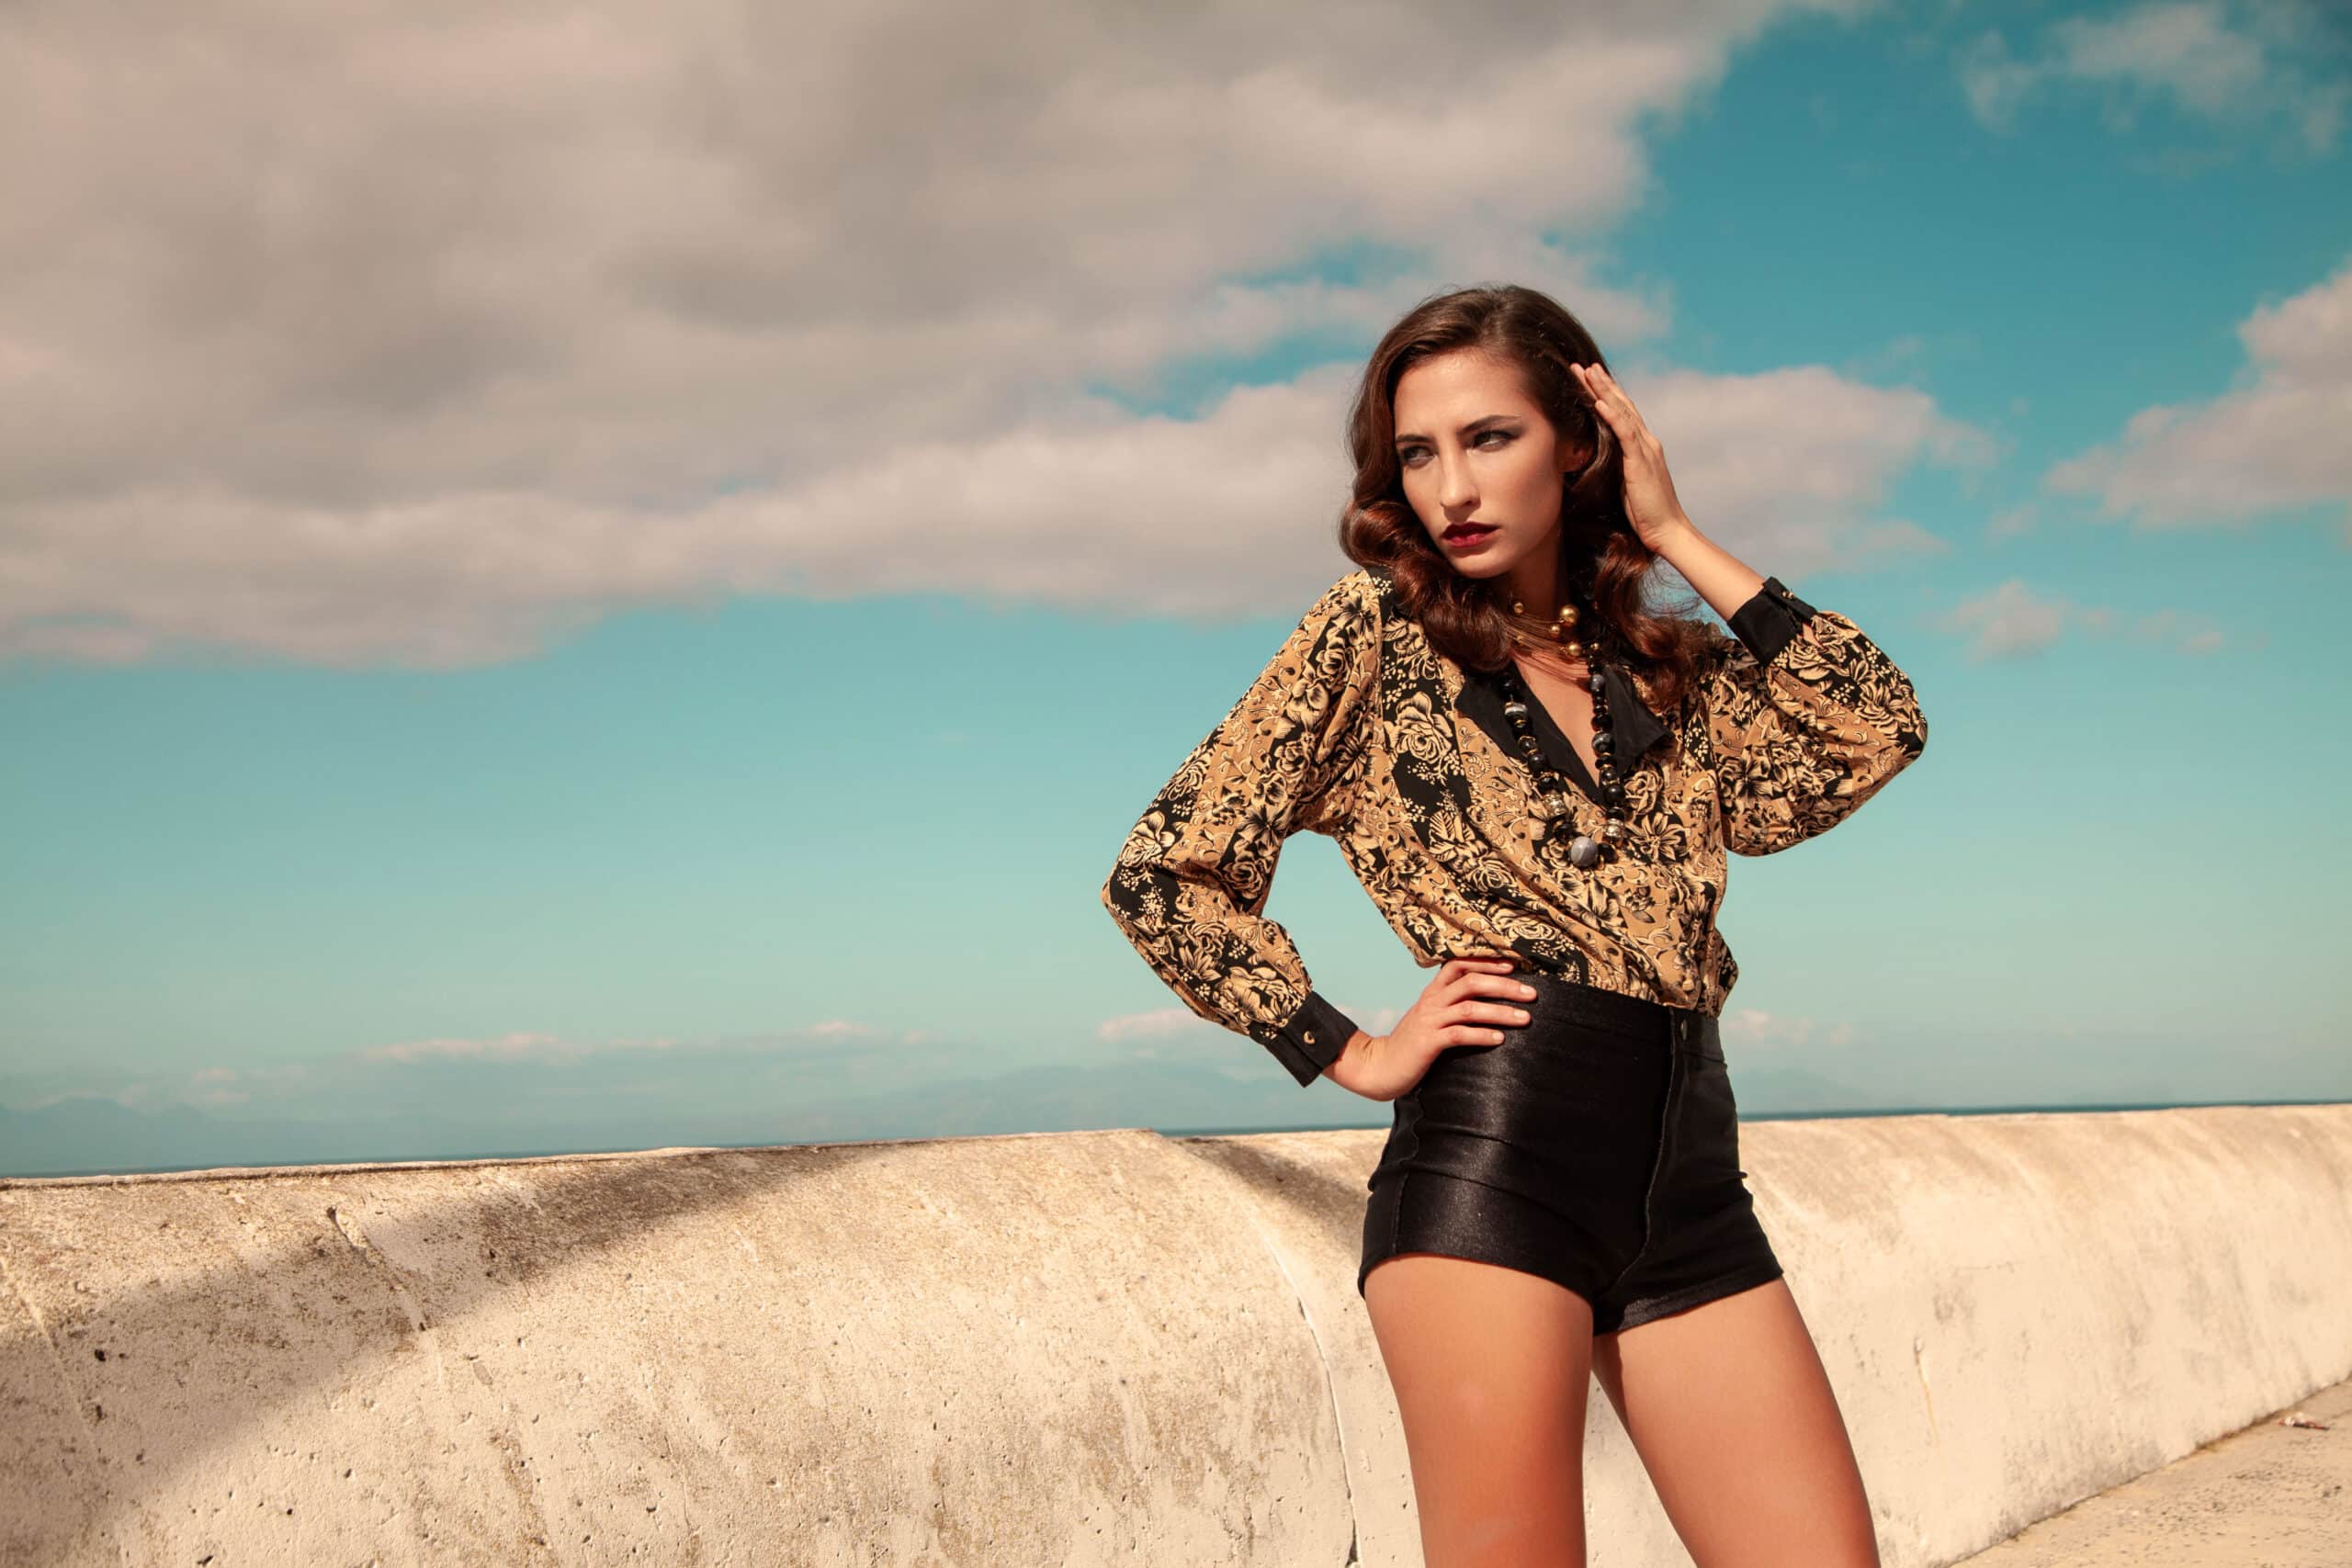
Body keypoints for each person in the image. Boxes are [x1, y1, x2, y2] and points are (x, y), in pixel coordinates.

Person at [1098, 283, 1927, 1566]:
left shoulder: (1667, 673)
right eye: (1418, 454)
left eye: (1491, 438)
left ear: (1580, 443)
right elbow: (1165, 875)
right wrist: (1346, 1047)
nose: (1450, 489)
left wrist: (1680, 530)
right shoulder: (1370, 637)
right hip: (1496, 1167)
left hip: (1691, 1180)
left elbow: (1878, 725)